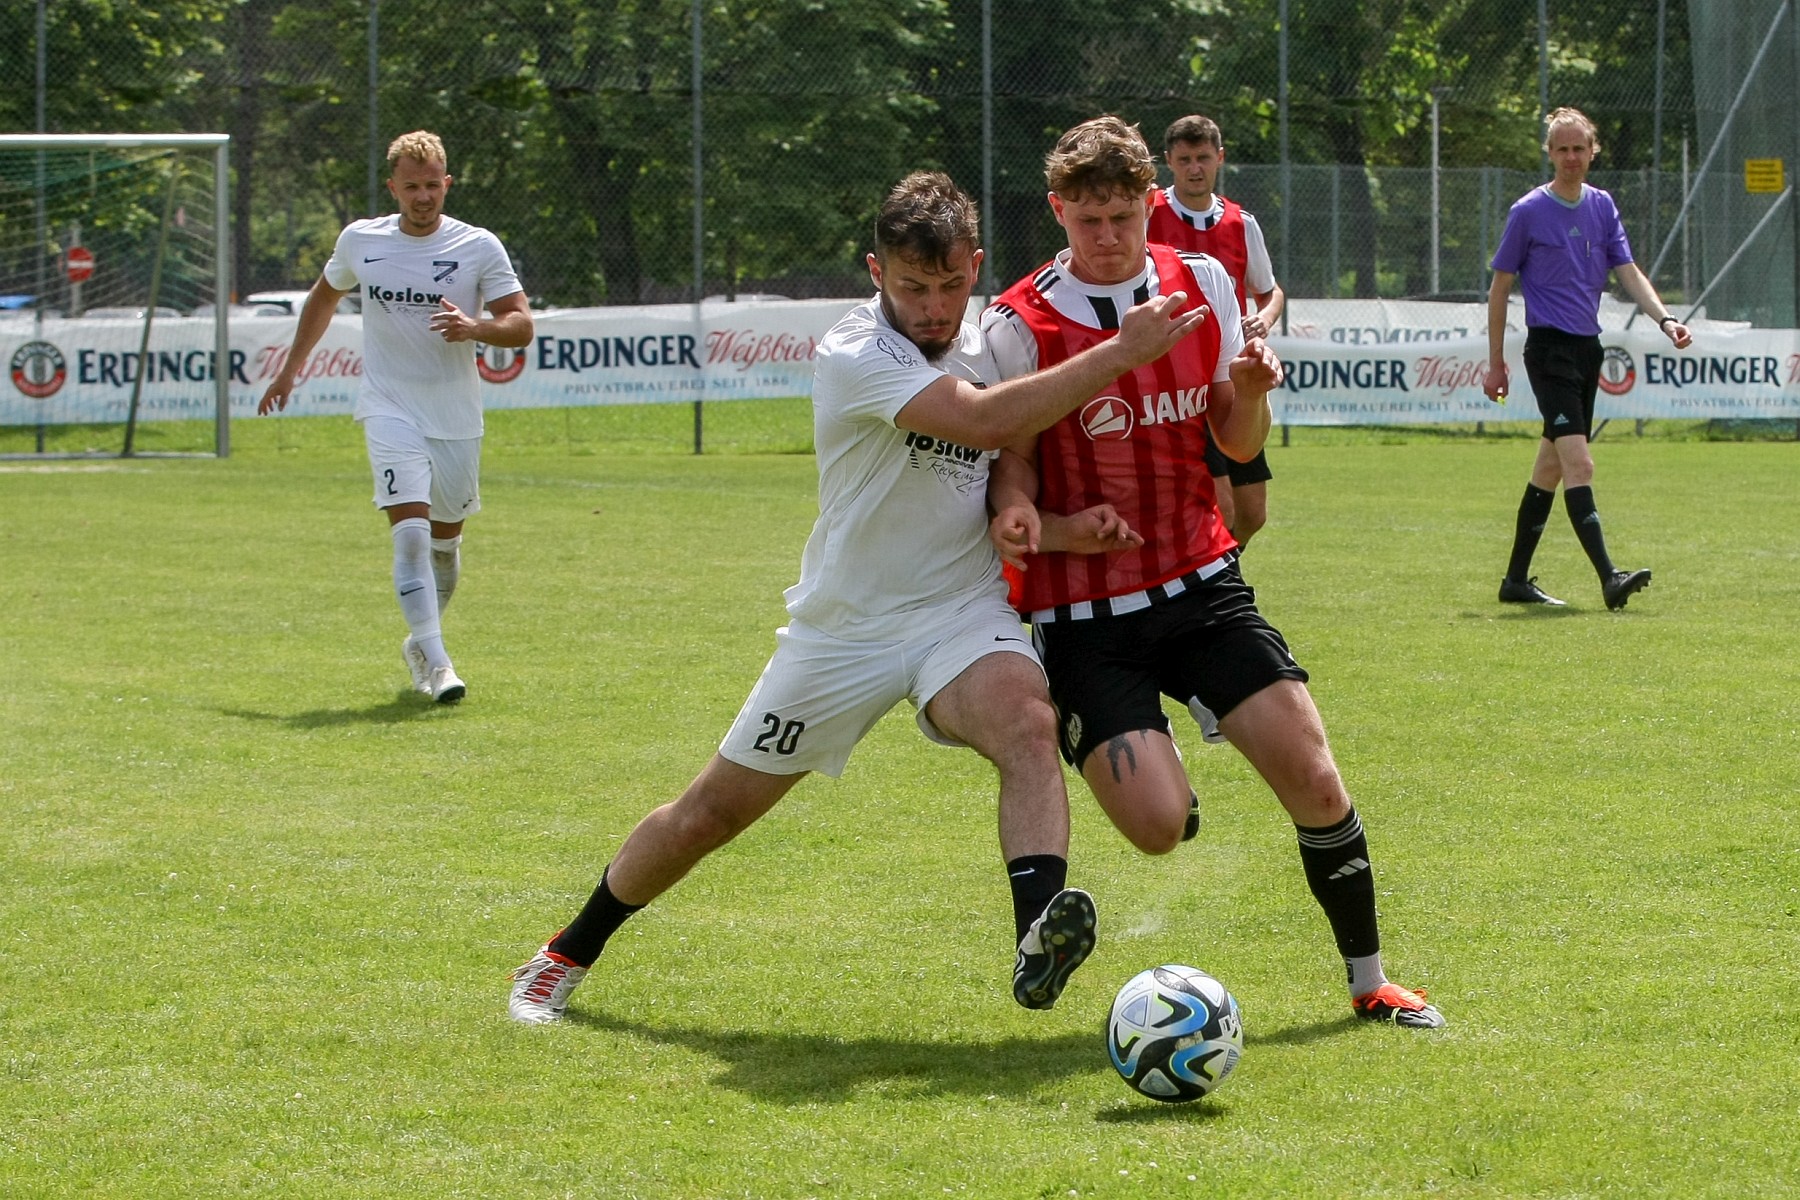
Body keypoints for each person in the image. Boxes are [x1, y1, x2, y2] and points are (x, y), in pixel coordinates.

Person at [508, 171, 1208, 1025]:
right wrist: (1121, 352)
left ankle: (1037, 934)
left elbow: (999, 467)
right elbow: (983, 422)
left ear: (976, 265)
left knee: (1028, 722)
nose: (934, 308)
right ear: (876, 272)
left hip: (959, 611)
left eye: (950, 285)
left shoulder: (994, 339)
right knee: (710, 814)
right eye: (912, 287)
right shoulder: (855, 352)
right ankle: (564, 954)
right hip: (846, 630)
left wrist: (1042, 523)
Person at [983, 116, 1445, 1028]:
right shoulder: (1017, 322)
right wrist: (1031, 516)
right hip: (1086, 616)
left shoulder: (1203, 281)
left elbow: (1234, 440)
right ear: (1058, 210)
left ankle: (1371, 984)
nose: (1107, 237)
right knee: (1158, 828)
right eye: (1088, 220)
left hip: (1202, 581)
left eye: (1123, 217)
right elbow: (1014, 457)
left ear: (1148, 204)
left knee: (1317, 780)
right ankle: (1158, 754)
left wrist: (1255, 395)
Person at [257, 130, 533, 703]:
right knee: (409, 538)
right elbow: (324, 296)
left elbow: (521, 324)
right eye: (412, 187)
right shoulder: (361, 240)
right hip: (388, 406)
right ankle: (439, 663)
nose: (423, 197)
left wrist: (476, 327)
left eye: (432, 185)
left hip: (454, 414)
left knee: (444, 546)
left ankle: (419, 643)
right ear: (393, 188)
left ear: (447, 184)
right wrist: (289, 370)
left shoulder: (479, 246)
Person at [1484, 106, 1692, 610]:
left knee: (1551, 468)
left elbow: (1628, 271)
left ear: (1593, 151)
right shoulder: (1528, 211)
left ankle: (1515, 581)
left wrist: (1666, 319)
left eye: (1579, 148)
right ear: (1550, 154)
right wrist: (1496, 363)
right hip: (1549, 350)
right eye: (1562, 149)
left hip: (1587, 350)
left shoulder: (1602, 206)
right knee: (1580, 463)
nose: (1571, 157)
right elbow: (1499, 288)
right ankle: (1609, 578)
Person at [1147, 113, 1285, 548]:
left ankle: (1219, 572)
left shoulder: (1241, 223)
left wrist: (1264, 318)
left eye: (1203, 158)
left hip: (1230, 375)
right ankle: (1214, 580)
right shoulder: (1148, 213)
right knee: (1220, 509)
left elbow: (1270, 291)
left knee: (1252, 513)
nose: (1194, 168)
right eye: (1184, 159)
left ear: (1219, 158)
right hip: (1179, 382)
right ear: (1169, 161)